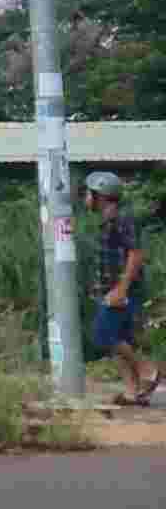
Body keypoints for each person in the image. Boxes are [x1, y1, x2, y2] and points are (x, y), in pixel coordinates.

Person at [86, 171, 153, 406]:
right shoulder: (107, 221)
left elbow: (135, 254)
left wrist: (122, 289)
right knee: (120, 339)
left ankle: (147, 369)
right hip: (111, 290)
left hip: (122, 291)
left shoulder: (123, 219)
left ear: (101, 196)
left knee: (103, 335)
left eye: (89, 193)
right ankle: (132, 392)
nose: (86, 198)